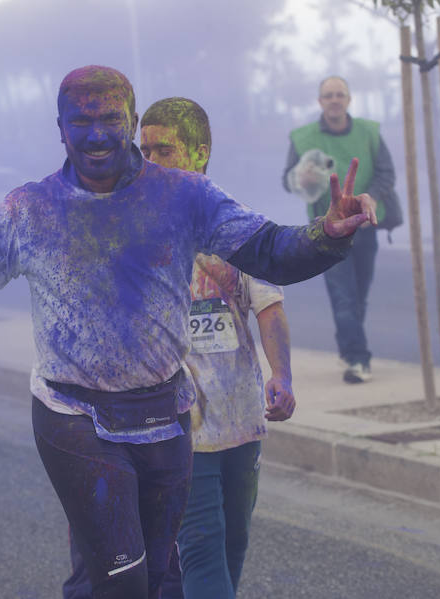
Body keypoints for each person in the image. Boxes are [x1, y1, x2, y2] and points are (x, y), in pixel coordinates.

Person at [0, 65, 375, 599]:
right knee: (125, 582)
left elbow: (270, 251)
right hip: (75, 418)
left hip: (166, 415)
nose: (96, 135)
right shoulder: (31, 209)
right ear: (60, 128)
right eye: (81, 120)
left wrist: (327, 234)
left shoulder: (186, 196)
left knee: (163, 579)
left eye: (111, 119)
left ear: (132, 120)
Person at [62, 97, 295, 599]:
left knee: (231, 550)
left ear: (200, 152)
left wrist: (283, 376)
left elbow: (268, 304)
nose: (150, 161)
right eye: (143, 149)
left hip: (242, 419)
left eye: (163, 149)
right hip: (177, 429)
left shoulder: (236, 225)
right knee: (202, 555)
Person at [283, 75, 395, 384]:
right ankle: (358, 359)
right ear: (320, 102)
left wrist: (371, 195)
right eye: (328, 95)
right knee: (344, 295)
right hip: (326, 231)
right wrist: (301, 180)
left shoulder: (370, 133)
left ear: (348, 99)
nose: (334, 99)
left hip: (365, 226)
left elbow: (387, 173)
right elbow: (287, 179)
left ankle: (348, 347)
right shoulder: (302, 138)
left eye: (339, 94)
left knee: (359, 294)